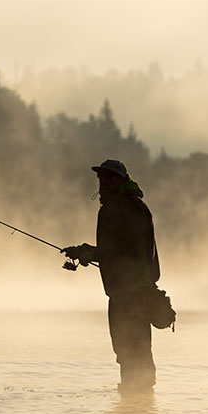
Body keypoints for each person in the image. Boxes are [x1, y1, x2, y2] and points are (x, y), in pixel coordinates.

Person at [64, 159, 162, 394]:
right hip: (122, 291)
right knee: (126, 348)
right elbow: (114, 247)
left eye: (108, 178)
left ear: (119, 180)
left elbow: (123, 248)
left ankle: (138, 398)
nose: (102, 182)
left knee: (133, 348)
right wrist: (85, 250)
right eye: (100, 178)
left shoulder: (127, 207)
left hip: (133, 291)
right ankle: (134, 402)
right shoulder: (118, 206)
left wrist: (91, 254)